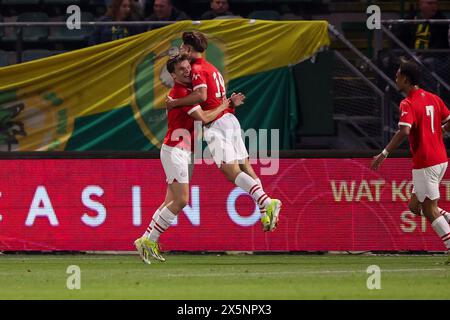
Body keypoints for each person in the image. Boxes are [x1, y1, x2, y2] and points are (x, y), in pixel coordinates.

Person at [166, 31, 282, 233]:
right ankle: (265, 213)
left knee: (231, 172)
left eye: (184, 47)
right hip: (230, 119)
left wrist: (175, 102)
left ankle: (266, 201)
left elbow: (201, 96)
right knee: (246, 168)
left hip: (217, 124)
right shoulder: (212, 68)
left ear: (189, 49)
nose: (182, 51)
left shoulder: (196, 69)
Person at [134, 54, 245, 264]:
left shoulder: (189, 93)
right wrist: (225, 105)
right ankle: (150, 240)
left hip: (187, 151)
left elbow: (210, 112)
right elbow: (204, 118)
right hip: (175, 150)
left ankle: (145, 239)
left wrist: (229, 106)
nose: (187, 71)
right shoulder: (180, 93)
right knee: (182, 200)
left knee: (169, 201)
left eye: (187, 67)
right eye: (181, 70)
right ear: (173, 75)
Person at [370, 59, 450, 264]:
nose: (395, 78)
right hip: (441, 160)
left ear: (405, 78)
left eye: (397, 75)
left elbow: (404, 130)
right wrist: (439, 132)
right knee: (415, 207)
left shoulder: (408, 102)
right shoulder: (433, 98)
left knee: (430, 210)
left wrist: (384, 153)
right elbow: (449, 119)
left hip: (426, 162)